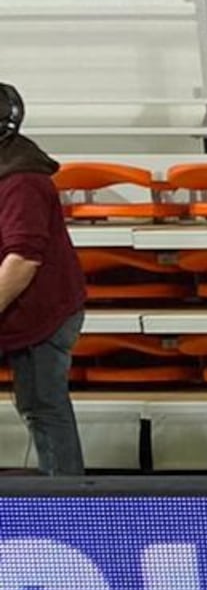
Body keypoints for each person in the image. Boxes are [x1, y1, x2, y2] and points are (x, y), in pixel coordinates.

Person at [0, 83, 85, 475]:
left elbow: (22, 260)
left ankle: (65, 501)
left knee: (43, 407)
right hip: (17, 308)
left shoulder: (21, 180)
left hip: (41, 313)